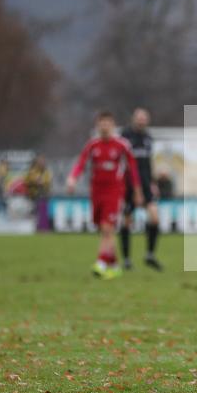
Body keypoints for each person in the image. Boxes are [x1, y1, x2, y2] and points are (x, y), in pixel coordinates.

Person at [67, 111, 144, 278]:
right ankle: (115, 265)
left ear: (113, 125)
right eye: (102, 123)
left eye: (108, 123)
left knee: (108, 228)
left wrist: (138, 192)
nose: (105, 126)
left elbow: (133, 170)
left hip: (115, 191)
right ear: (97, 125)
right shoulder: (92, 145)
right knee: (103, 229)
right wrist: (72, 178)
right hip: (96, 192)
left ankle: (101, 262)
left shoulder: (122, 145)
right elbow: (81, 163)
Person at [119, 108, 163, 271]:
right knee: (127, 221)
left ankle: (150, 255)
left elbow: (148, 163)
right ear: (133, 119)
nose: (141, 121)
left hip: (145, 184)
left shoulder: (148, 138)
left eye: (144, 119)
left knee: (155, 218)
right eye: (139, 118)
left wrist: (153, 182)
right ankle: (126, 259)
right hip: (128, 184)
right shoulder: (125, 136)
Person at [25, 154, 53, 231]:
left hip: (44, 196)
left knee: (43, 213)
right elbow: (27, 180)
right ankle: (34, 228)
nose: (42, 163)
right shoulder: (32, 171)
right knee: (34, 213)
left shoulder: (47, 172)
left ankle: (43, 227)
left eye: (43, 161)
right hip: (33, 196)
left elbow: (48, 181)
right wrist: (35, 181)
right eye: (40, 161)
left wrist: (42, 181)